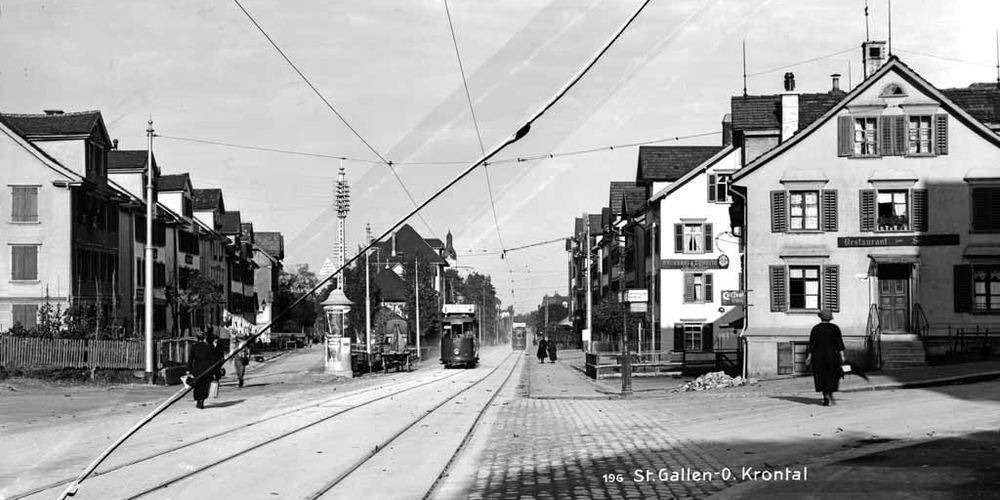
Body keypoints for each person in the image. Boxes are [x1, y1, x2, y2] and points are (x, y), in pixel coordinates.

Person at [806, 309, 846, 406]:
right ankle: (829, 393)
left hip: (818, 356)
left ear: (821, 317)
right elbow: (839, 343)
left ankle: (825, 397)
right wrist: (842, 356)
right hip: (832, 356)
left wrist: (809, 357)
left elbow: (812, 344)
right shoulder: (835, 328)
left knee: (821, 376)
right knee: (831, 376)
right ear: (830, 318)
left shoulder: (815, 329)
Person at [186, 331, 220, 409]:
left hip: (197, 369)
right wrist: (213, 370)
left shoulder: (194, 347)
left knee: (197, 385)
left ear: (197, 338)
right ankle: (202, 401)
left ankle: (198, 401)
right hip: (206, 369)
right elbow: (212, 360)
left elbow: (191, 359)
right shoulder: (208, 347)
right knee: (205, 385)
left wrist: (188, 369)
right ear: (204, 338)